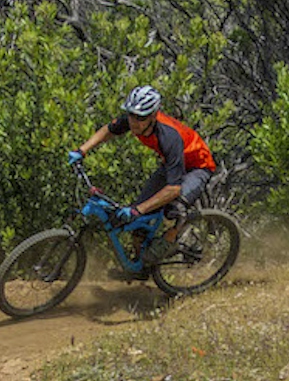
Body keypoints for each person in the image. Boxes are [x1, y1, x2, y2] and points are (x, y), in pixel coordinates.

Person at [70, 85, 216, 263]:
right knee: (139, 219)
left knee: (174, 209)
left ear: (153, 116)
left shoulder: (168, 137)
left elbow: (174, 189)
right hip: (172, 165)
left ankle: (170, 239)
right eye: (131, 115)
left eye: (141, 117)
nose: (134, 121)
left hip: (198, 166)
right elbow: (109, 130)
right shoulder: (134, 121)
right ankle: (139, 266)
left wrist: (138, 210)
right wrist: (81, 151)